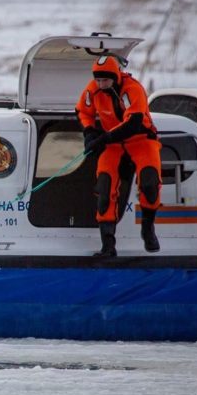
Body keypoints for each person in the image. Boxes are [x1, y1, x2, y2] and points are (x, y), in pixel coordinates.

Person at [76, 55, 162, 257]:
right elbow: (83, 112)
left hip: (141, 140)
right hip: (112, 145)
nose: (101, 84)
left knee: (149, 183)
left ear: (115, 77)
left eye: (105, 80)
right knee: (104, 188)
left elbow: (133, 122)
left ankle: (148, 228)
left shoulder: (132, 89)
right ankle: (107, 244)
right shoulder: (93, 90)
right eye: (97, 80)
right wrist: (89, 133)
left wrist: (105, 137)